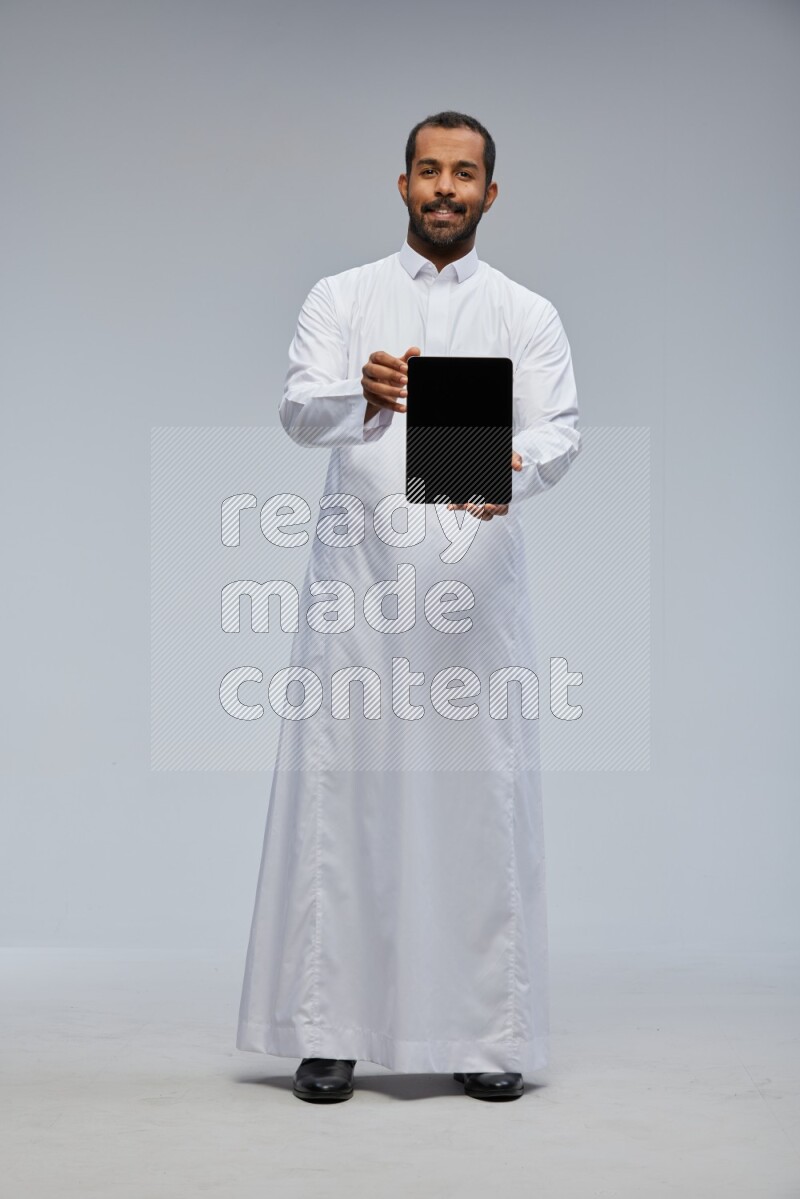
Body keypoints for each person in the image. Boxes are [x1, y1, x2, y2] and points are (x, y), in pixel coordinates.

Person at [236, 110, 581, 1103]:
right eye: (427, 171)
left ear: (488, 193)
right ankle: (327, 1025)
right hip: (358, 595)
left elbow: (558, 429)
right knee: (345, 799)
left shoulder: (525, 312)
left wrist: (509, 463)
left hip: (474, 595)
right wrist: (363, 388)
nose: (443, 188)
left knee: (478, 802)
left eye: (462, 174)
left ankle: (484, 1030)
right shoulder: (342, 298)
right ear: (401, 185)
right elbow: (299, 408)